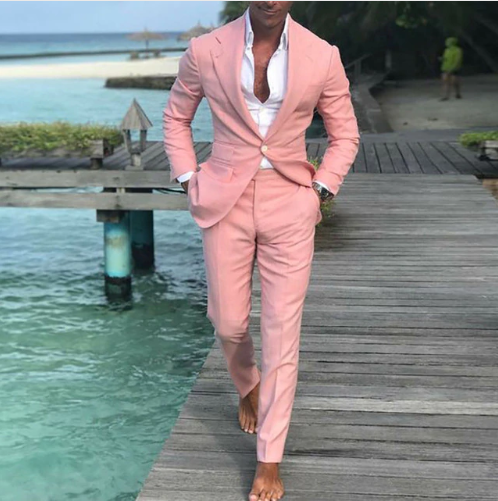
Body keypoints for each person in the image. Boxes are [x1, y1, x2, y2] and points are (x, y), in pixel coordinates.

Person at [163, 2, 360, 500]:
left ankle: (269, 459)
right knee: (227, 321)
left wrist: (320, 192)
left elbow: (345, 134)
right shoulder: (205, 50)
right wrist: (188, 178)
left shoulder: (322, 54)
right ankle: (248, 383)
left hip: (290, 200)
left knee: (281, 335)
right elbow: (176, 117)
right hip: (223, 197)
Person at [439, 36, 463, 101]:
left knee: (454, 82)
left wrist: (453, 68)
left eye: (448, 42)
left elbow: (457, 60)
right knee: (445, 81)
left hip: (454, 68)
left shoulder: (458, 50)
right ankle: (445, 96)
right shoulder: (446, 50)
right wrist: (442, 59)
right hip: (445, 67)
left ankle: (457, 93)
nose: (446, 43)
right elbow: (445, 58)